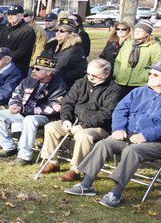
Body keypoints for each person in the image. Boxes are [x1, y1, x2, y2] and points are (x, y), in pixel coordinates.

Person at [65, 62, 161, 207]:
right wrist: (118, 128)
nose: (150, 77)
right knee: (104, 144)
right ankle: (87, 184)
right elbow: (120, 110)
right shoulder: (138, 92)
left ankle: (116, 192)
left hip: (154, 142)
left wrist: (145, 135)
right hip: (127, 135)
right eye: (150, 73)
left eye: (155, 74)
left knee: (131, 151)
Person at [39, 59, 123, 181]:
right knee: (51, 127)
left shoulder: (114, 89)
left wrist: (84, 125)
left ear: (106, 74)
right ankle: (52, 161)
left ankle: (76, 169)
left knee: (84, 135)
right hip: (74, 121)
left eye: (94, 75)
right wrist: (66, 119)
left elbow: (106, 114)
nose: (89, 77)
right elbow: (68, 102)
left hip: (99, 127)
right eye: (88, 73)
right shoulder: (80, 82)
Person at [0, 56, 67, 164]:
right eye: (33, 68)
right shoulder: (28, 80)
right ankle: (9, 147)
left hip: (46, 117)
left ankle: (24, 156)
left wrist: (24, 109)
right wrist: (14, 105)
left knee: (30, 120)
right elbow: (16, 94)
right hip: (23, 112)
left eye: (37, 69)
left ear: (49, 72)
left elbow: (54, 107)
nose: (33, 71)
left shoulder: (59, 85)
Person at [113, 20, 161, 94]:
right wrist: (117, 73)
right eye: (135, 30)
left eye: (140, 31)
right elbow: (118, 61)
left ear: (147, 33)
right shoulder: (127, 44)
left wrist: (144, 77)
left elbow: (157, 66)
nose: (136, 32)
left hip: (140, 84)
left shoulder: (154, 47)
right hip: (121, 81)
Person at [41, 17, 88, 86]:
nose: (58, 33)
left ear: (71, 34)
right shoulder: (51, 45)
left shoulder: (75, 49)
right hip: (45, 81)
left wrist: (62, 77)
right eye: (57, 30)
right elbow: (42, 61)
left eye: (62, 31)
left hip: (63, 84)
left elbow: (81, 70)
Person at [0, 5, 37, 77]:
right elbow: (0, 45)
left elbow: (23, 51)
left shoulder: (27, 31)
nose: (10, 17)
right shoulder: (6, 28)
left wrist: (6, 59)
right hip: (3, 65)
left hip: (18, 69)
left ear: (21, 15)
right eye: (8, 14)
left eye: (13, 14)